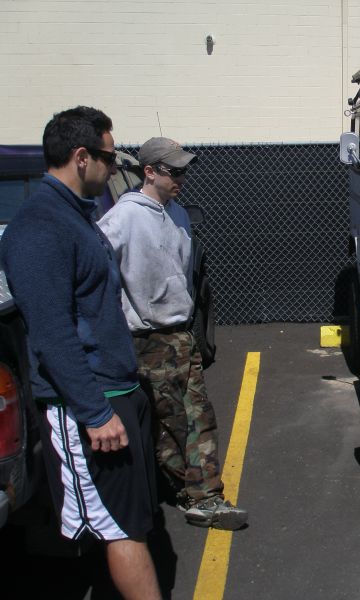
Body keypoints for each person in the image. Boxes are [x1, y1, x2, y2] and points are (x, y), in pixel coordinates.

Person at [0, 107, 161, 599]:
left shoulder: (75, 217)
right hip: (89, 404)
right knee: (120, 529)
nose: (114, 169)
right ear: (81, 156)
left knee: (132, 520)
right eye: (109, 158)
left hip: (117, 392)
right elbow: (52, 334)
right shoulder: (39, 227)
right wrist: (94, 412)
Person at [98, 137, 247, 531]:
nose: (182, 178)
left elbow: (183, 273)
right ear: (149, 172)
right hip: (148, 341)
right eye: (174, 171)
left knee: (199, 417)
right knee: (170, 424)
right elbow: (98, 277)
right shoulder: (122, 218)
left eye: (184, 170)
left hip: (181, 334)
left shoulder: (177, 213)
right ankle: (191, 491)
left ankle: (204, 496)